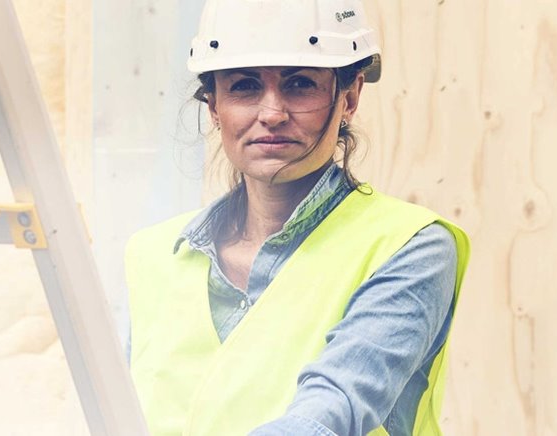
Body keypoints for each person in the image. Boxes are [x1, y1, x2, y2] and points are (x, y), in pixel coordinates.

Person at [123, 1, 471, 435]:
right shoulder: (153, 255)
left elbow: (330, 412)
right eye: (245, 86)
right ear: (214, 106)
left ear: (350, 97)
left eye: (300, 84)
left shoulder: (410, 246)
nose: (271, 113)